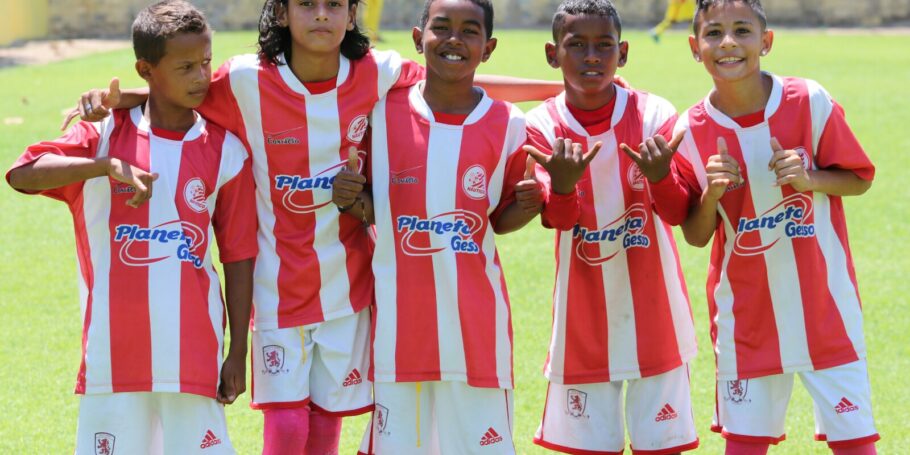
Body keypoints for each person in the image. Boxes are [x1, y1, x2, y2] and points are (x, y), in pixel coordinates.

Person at [70, 1, 563, 452]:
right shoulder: (244, 79)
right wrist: (121, 98)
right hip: (275, 285)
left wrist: (565, 91)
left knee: (327, 420)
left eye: (334, 5)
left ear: (352, 14)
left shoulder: (377, 72)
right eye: (307, 4)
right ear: (282, 13)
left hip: (347, 285)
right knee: (286, 423)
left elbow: (459, 79)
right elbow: (181, 87)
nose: (322, 15)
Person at [6, 1, 257, 453]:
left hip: (191, 353)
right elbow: (22, 173)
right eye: (185, 67)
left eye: (205, 62)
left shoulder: (226, 151)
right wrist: (105, 166)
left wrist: (237, 350)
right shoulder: (103, 134)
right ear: (146, 69)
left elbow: (239, 256)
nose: (201, 76)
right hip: (113, 356)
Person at [348, 0, 584, 452]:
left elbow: (500, 219)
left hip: (477, 328)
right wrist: (351, 199)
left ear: (488, 48)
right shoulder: (381, 112)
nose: (454, 39)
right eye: (441, 27)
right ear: (418, 38)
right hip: (398, 328)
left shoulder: (508, 124)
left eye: (470, 31)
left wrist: (528, 204)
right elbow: (373, 205)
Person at [649, 1, 879, 454]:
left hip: (827, 310)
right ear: (695, 47)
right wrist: (712, 195)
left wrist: (810, 179)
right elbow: (696, 235)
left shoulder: (809, 100)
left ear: (766, 41)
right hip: (746, 319)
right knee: (745, 444)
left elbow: (860, 178)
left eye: (742, 31)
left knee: (855, 443)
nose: (728, 43)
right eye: (713, 33)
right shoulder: (690, 129)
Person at [521, 1, 699, 454]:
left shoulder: (654, 113)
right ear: (552, 54)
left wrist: (660, 178)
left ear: (623, 53)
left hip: (657, 315)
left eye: (604, 45)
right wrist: (564, 186)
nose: (591, 57)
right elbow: (558, 220)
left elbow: (679, 213)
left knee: (663, 445)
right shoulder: (540, 125)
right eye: (576, 45)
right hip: (580, 323)